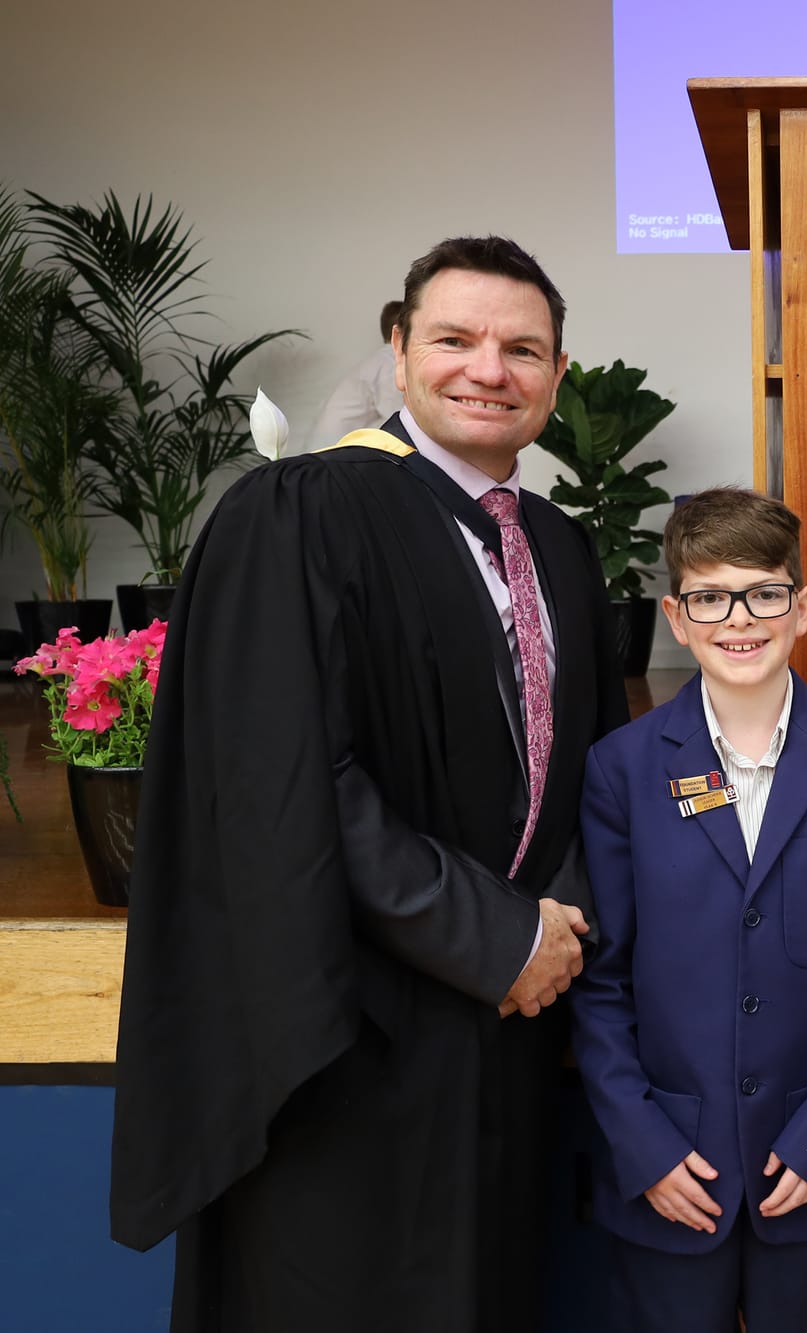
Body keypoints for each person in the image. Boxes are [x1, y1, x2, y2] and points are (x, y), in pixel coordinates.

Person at [110, 235, 628, 1331]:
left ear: (557, 375)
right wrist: (493, 939)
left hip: (512, 1035)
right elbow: (285, 778)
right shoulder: (299, 513)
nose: (488, 368)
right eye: (454, 338)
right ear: (398, 353)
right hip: (357, 1029)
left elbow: (593, 761)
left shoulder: (558, 548)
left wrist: (556, 931)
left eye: (521, 348)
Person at [572, 486, 807, 1333]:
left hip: (801, 1162)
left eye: (764, 593)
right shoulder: (621, 769)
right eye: (710, 597)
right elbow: (600, 979)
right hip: (669, 1166)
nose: (740, 619)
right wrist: (644, 1144)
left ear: (800, 607)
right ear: (677, 616)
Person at [299, 298, 406, 453]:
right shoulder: (390, 363)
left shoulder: (376, 362)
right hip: (332, 454)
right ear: (399, 333)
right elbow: (399, 419)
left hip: (321, 449)